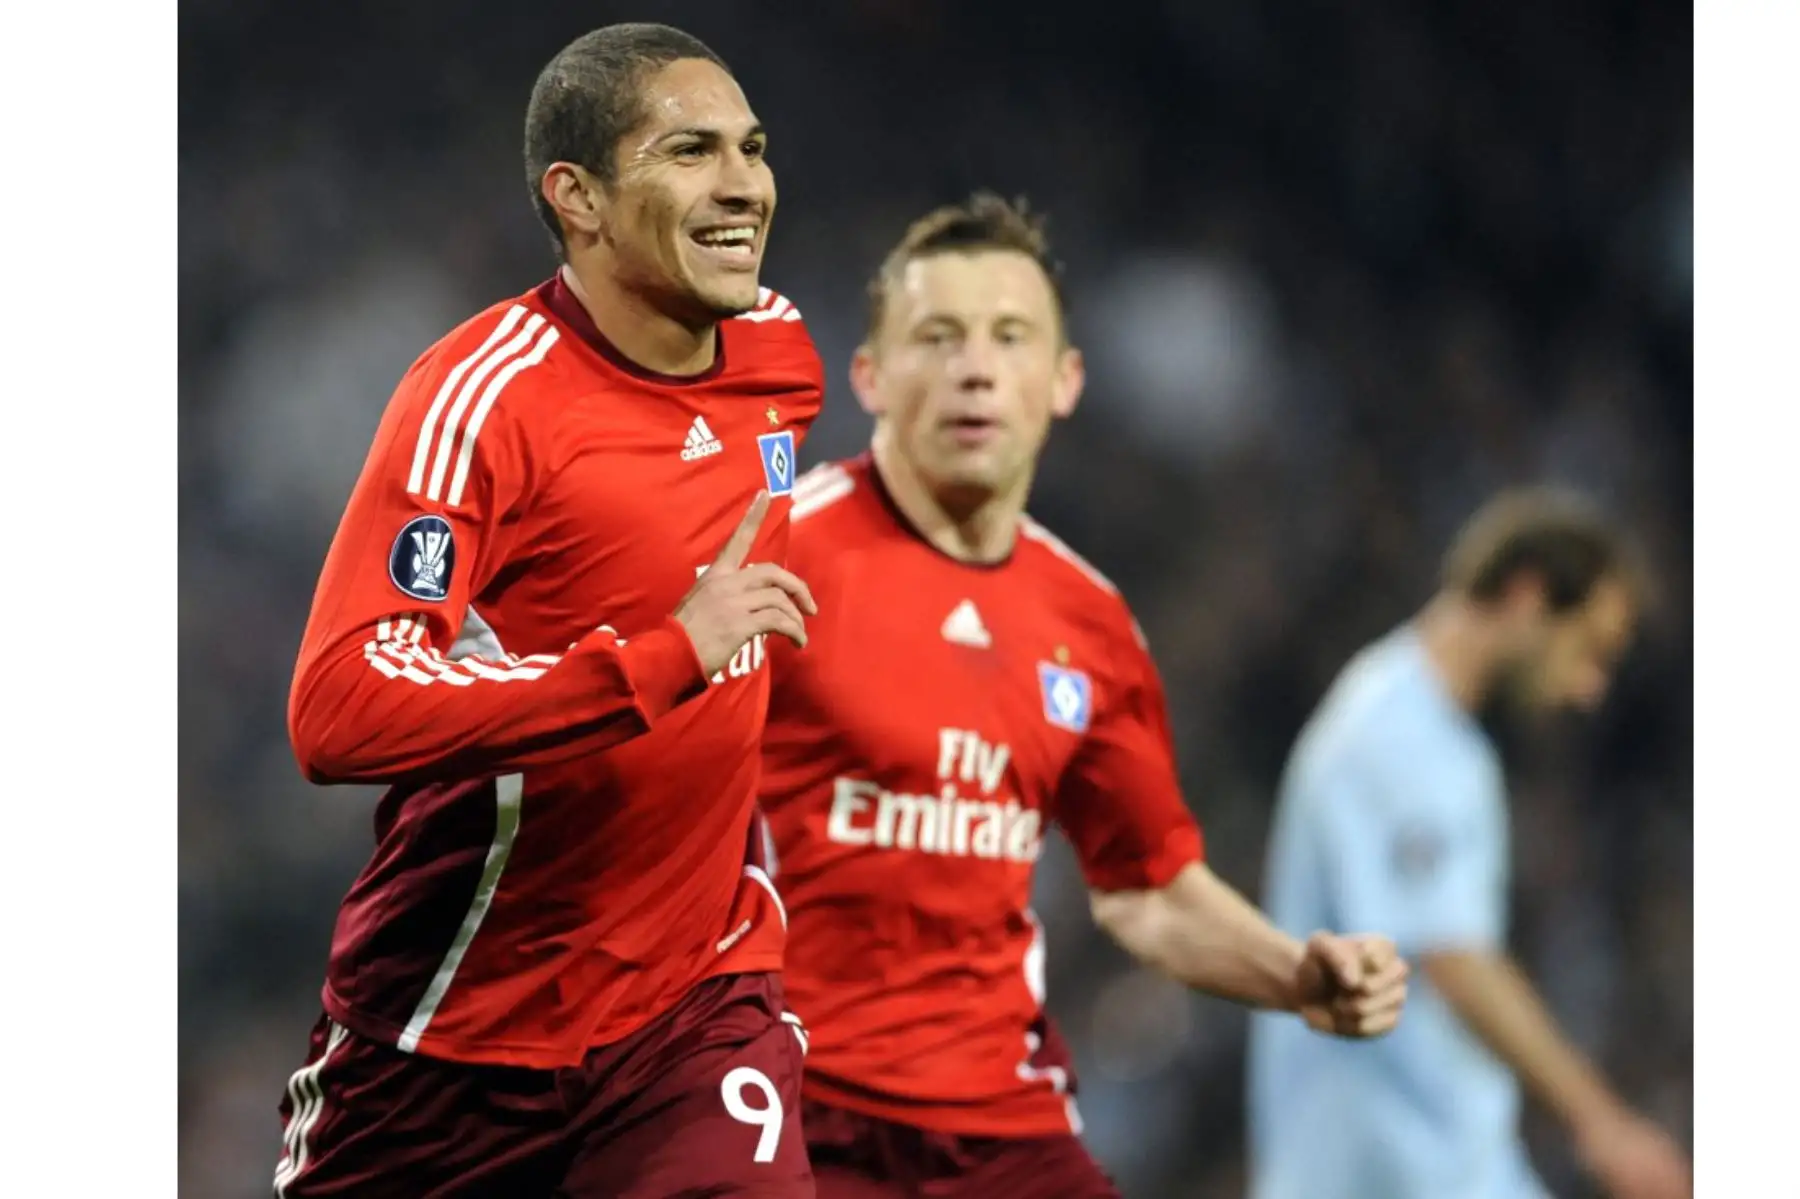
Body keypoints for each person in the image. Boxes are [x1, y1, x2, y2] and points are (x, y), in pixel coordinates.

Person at [755, 193, 1411, 1199]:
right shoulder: (776, 560)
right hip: (785, 1109)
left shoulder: (1087, 621)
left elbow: (1146, 887)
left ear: (1063, 382)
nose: (976, 368)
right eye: (938, 336)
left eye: (1010, 338)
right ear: (869, 375)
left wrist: (1294, 973)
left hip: (994, 1123)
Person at [272, 23, 823, 1198]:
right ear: (576, 197)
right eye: (692, 151)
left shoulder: (779, 353)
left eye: (753, 147)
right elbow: (339, 705)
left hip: (699, 1003)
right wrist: (663, 659)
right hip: (454, 1035)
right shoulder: (486, 399)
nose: (744, 183)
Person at [1247, 490, 1693, 1199]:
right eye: (1590, 649)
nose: (1589, 687)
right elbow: (1453, 957)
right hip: (1387, 1159)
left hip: (1430, 1153)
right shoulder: (1394, 734)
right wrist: (1602, 1120)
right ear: (1526, 595)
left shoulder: (1440, 739)